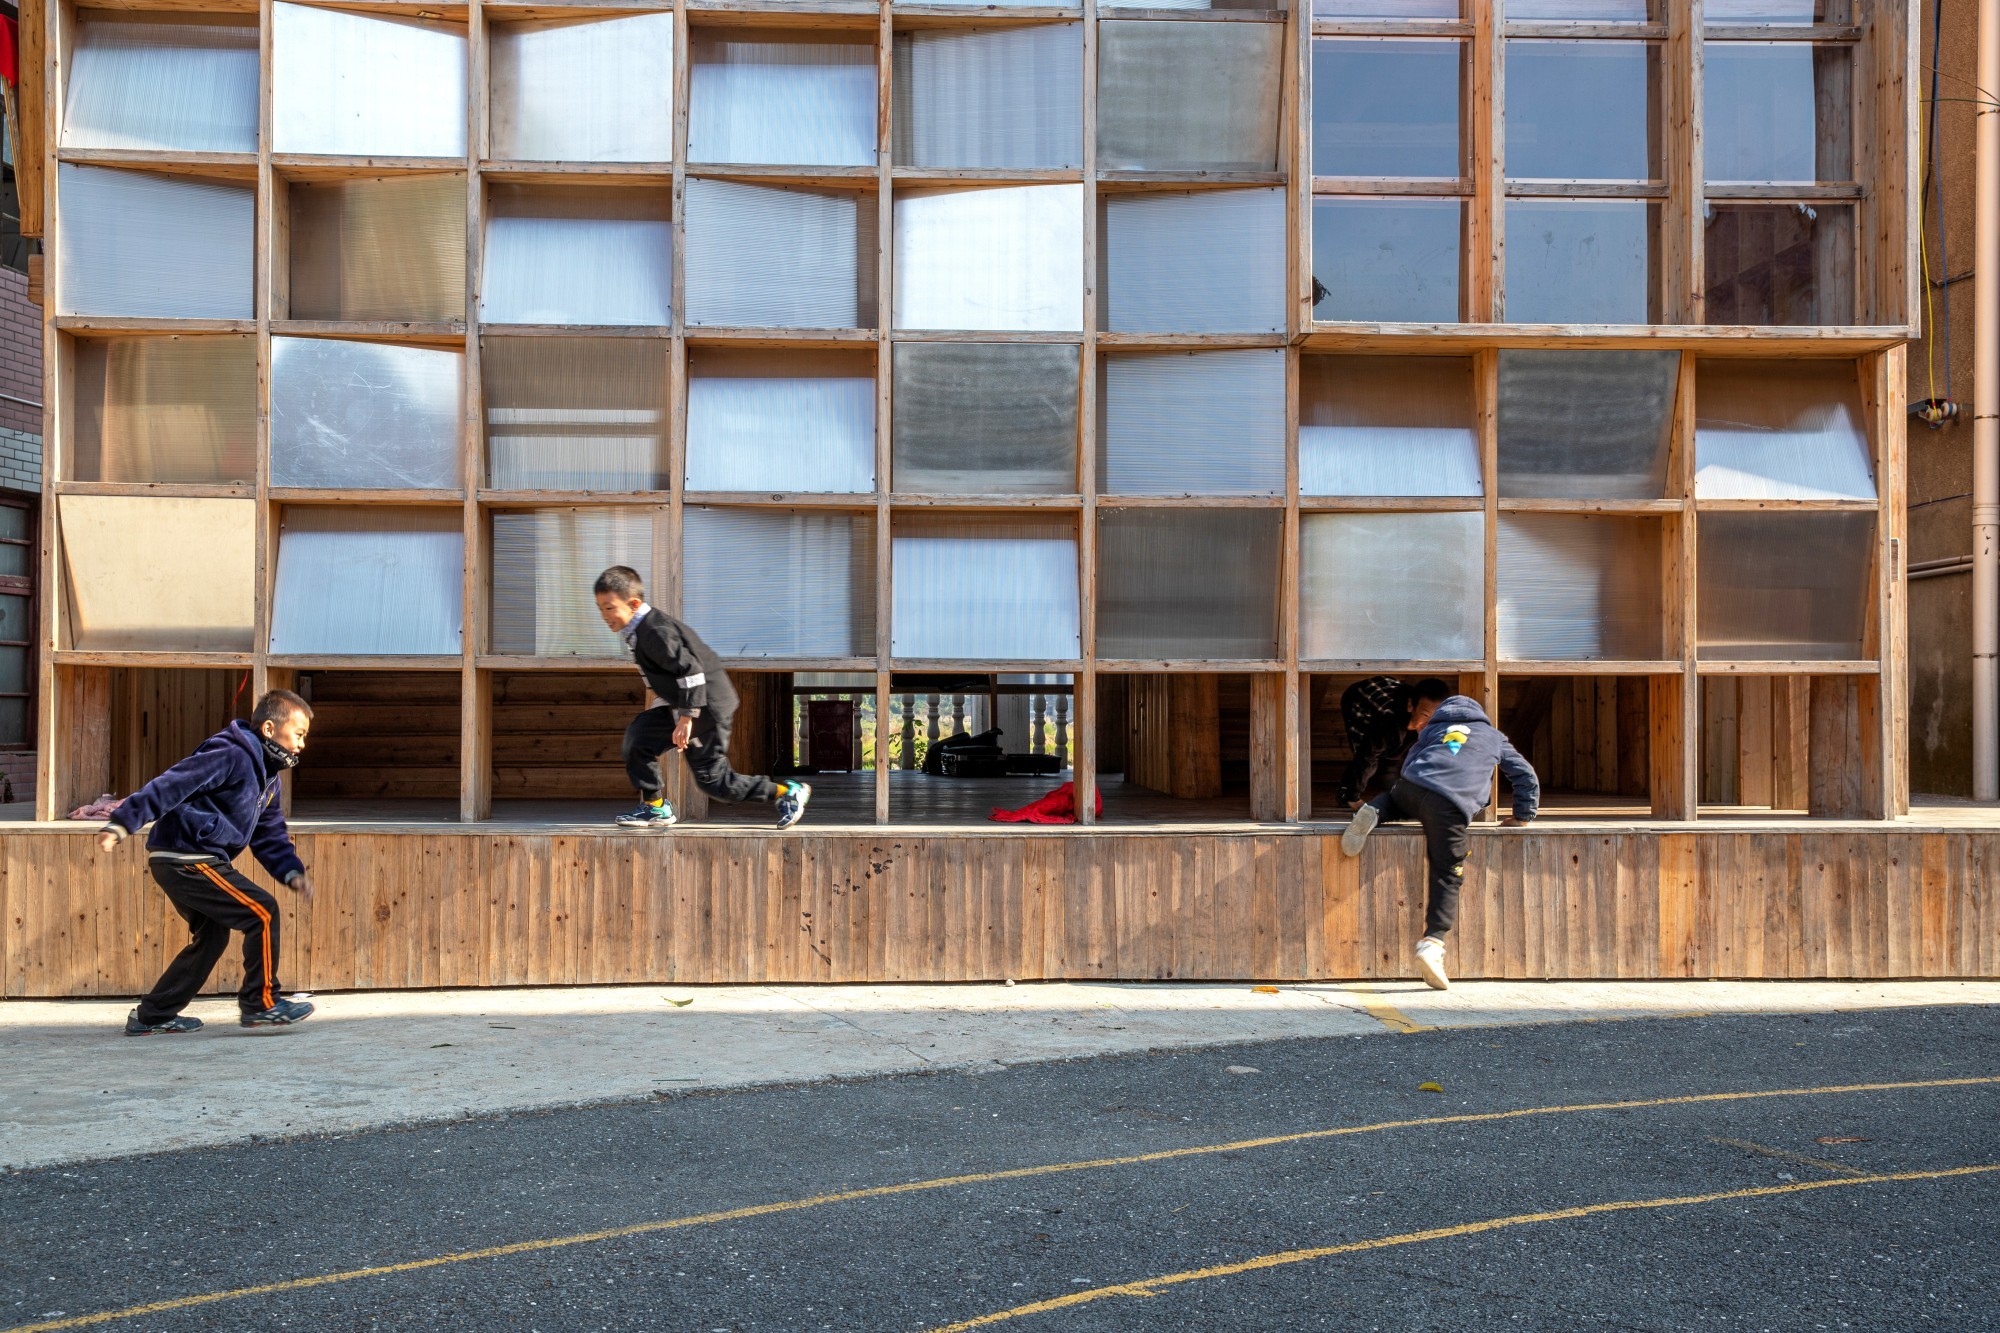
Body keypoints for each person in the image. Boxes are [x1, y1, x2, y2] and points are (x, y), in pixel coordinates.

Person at [97, 689, 318, 1034]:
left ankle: (152, 1015)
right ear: (270, 729)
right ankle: (262, 1003)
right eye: (299, 734)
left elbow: (269, 834)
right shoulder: (231, 752)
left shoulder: (269, 777)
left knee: (213, 936)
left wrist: (291, 871)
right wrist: (125, 821)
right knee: (261, 911)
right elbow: (173, 784)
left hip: (195, 858)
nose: (303, 744)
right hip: (186, 855)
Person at [1338, 693, 1538, 992]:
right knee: (1447, 873)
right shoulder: (1494, 736)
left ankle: (1375, 811)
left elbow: (1408, 765)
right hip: (1452, 803)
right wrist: (1522, 816)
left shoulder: (1433, 729)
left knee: (1397, 798)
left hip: (1415, 786)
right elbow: (1525, 775)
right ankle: (1432, 944)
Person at [593, 566, 810, 831]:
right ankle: (656, 806)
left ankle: (786, 792)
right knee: (638, 738)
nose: (604, 615)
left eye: (609, 608)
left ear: (634, 603)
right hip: (685, 704)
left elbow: (691, 671)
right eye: (600, 608)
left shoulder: (656, 632)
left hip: (707, 707)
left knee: (717, 784)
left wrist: (686, 719)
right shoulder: (640, 632)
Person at [1336, 676, 1453, 810]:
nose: (1429, 723)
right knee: (1372, 752)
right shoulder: (1388, 722)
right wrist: (1354, 798)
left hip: (1392, 692)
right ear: (1410, 706)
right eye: (1425, 715)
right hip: (1360, 699)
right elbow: (1367, 756)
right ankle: (1346, 793)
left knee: (1406, 750)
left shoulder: (1443, 721)